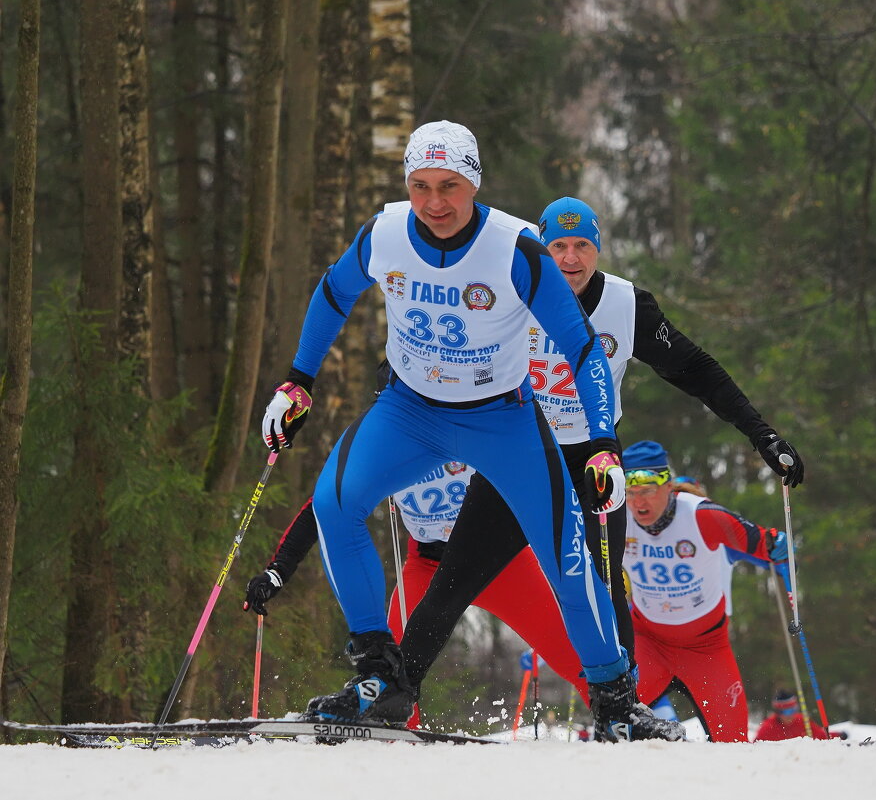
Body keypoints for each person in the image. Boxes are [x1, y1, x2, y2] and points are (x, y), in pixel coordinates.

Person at [259, 120, 668, 741]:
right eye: (420, 185)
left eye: (450, 185)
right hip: (408, 412)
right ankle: (378, 676)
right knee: (335, 502)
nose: (434, 202)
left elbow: (581, 347)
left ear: (474, 183)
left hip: (501, 420)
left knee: (566, 556)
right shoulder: (388, 230)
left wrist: (605, 443)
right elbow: (333, 292)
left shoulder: (516, 247)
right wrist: (297, 381)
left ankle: (615, 702)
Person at [370, 196, 802, 738]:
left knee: (605, 587)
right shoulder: (510, 286)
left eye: (583, 247)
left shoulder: (625, 304)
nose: (570, 259)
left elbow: (695, 368)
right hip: (518, 453)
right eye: (557, 247)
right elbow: (444, 331)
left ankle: (620, 711)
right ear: (541, 249)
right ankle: (392, 695)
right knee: (452, 581)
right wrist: (403, 371)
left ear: (598, 249)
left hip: (592, 459)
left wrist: (761, 434)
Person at [243, 456, 591, 726]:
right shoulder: (389, 444)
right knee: (391, 669)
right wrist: (278, 570)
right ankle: (396, 737)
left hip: (499, 563)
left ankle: (622, 715)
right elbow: (326, 504)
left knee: (577, 655)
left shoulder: (464, 422)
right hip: (427, 564)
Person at [621, 439, 789, 742]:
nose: (637, 502)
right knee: (613, 730)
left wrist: (779, 548)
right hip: (649, 643)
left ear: (668, 486)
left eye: (646, 490)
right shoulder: (616, 519)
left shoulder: (703, 516)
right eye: (630, 493)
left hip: (705, 648)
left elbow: (762, 541)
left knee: (733, 742)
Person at [753, 690, 831, 741]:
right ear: (777, 712)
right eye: (785, 712)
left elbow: (823, 737)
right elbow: (755, 748)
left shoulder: (803, 721)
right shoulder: (767, 728)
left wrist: (840, 735)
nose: (789, 715)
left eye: (793, 710)